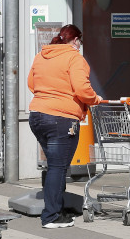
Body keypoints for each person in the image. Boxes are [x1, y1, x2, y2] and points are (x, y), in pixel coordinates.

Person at [28, 24, 102, 228]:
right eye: (80, 42)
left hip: (37, 115)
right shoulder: (75, 58)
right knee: (58, 168)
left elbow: (31, 84)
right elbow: (82, 88)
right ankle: (51, 216)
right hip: (62, 118)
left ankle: (56, 210)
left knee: (54, 166)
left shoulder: (41, 56)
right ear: (76, 40)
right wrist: (95, 99)